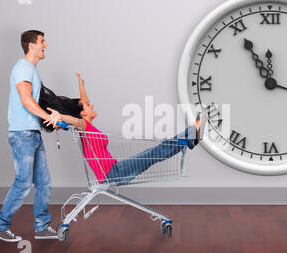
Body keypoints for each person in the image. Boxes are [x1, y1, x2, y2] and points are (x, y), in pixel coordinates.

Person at [41, 73, 205, 186]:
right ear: (84, 113)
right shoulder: (84, 127)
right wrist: (61, 117)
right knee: (156, 151)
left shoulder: (87, 125)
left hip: (114, 170)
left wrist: (81, 86)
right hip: (113, 173)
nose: (92, 104)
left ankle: (191, 134)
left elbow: (83, 103)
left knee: (156, 151)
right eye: (88, 105)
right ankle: (192, 133)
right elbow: (76, 120)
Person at [0, 30, 61, 242]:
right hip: (22, 135)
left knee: (43, 182)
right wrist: (49, 117)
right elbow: (26, 100)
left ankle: (41, 226)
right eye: (42, 42)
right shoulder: (23, 68)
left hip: (32, 133)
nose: (45, 45)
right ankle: (0, 226)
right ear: (31, 45)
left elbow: (34, 104)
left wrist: (49, 120)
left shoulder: (30, 69)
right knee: (23, 182)